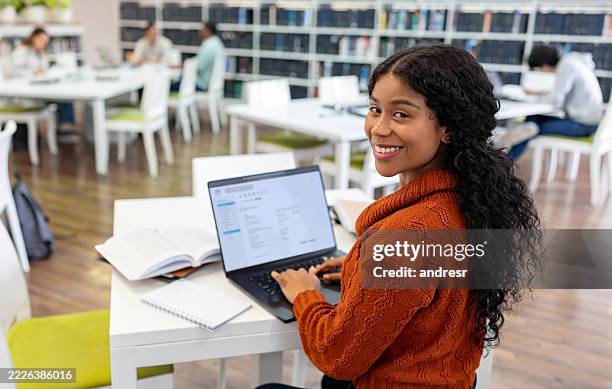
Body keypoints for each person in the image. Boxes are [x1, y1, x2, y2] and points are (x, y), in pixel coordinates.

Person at [265, 45, 542, 389]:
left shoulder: (407, 236)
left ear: (448, 127)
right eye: (374, 109)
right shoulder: (473, 198)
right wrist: (358, 270)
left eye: (401, 114)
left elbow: (337, 357)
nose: (378, 128)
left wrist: (305, 293)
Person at [508, 45, 604, 160]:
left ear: (544, 65)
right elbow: (560, 94)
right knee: (532, 120)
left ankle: (507, 159)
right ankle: (507, 158)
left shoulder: (567, 66)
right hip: (588, 122)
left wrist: (534, 97)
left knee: (531, 127)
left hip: (584, 126)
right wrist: (537, 94)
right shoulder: (573, 61)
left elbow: (555, 101)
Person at [11, 27, 74, 128]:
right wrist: (34, 72)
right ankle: (64, 129)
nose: (43, 43)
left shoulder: (41, 53)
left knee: (66, 97)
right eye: (41, 40)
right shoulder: (20, 52)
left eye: (45, 41)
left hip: (40, 87)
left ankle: (65, 127)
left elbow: (44, 69)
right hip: (25, 92)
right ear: (33, 38)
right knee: (62, 99)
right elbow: (15, 73)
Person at [195, 22, 225, 91]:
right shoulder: (216, 42)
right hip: (211, 82)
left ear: (208, 30)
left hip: (202, 84)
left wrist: (185, 65)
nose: (200, 31)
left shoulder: (209, 46)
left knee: (169, 86)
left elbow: (199, 66)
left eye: (202, 29)